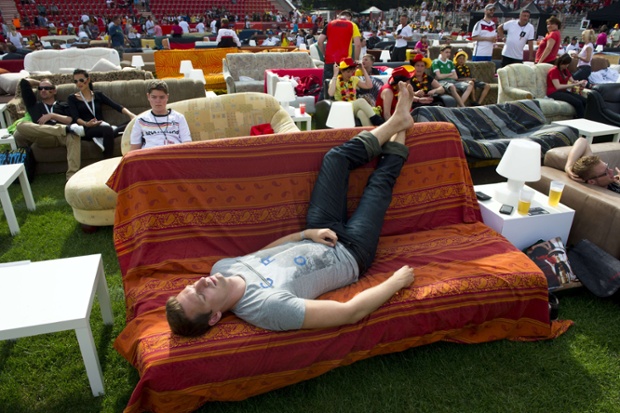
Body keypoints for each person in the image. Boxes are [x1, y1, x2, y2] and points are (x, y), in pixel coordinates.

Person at [166, 81, 417, 336]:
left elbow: (261, 255)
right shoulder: (266, 308)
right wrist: (396, 282)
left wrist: (306, 235)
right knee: (378, 186)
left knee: (335, 159)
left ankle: (397, 121)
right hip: (351, 254)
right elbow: (349, 313)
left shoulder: (221, 268)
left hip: (319, 231)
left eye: (191, 286)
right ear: (214, 317)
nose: (200, 283)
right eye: (200, 296)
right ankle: (402, 127)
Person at [14, 78, 84, 180]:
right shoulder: (34, 105)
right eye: (41, 88)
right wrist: (41, 83)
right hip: (44, 136)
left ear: (54, 91)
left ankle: (71, 177)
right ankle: (62, 129)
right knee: (20, 125)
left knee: (74, 134)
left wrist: (52, 115)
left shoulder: (63, 104)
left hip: (62, 136)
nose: (43, 90)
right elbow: (24, 82)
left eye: (47, 88)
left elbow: (70, 120)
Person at [67, 69, 136, 159]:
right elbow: (75, 118)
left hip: (102, 126)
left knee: (133, 123)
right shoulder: (72, 98)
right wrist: (86, 123)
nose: (78, 83)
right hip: (87, 128)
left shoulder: (98, 94)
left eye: (81, 80)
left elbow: (116, 106)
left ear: (87, 80)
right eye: (75, 81)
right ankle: (108, 160)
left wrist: (131, 115)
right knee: (108, 130)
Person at [129, 80, 191, 151]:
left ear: (167, 97)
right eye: (154, 97)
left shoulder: (179, 118)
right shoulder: (141, 120)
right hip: (150, 157)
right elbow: (134, 150)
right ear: (148, 96)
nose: (158, 101)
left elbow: (187, 144)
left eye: (162, 97)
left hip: (174, 155)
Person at [317, 10, 362, 99]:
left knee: (326, 86)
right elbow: (357, 44)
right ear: (350, 18)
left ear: (338, 16)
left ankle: (322, 109)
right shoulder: (352, 25)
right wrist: (356, 59)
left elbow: (319, 42)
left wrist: (324, 54)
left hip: (330, 60)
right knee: (344, 87)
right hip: (345, 62)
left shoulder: (329, 24)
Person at [328, 57, 384, 126]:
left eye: (351, 71)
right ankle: (378, 120)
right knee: (361, 101)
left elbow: (369, 86)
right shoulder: (335, 80)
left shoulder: (354, 79)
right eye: (348, 72)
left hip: (353, 107)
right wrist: (335, 75)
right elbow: (330, 93)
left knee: (361, 113)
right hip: (342, 107)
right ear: (342, 71)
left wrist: (363, 69)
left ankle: (370, 133)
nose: (350, 74)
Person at [546, 53, 587, 118]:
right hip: (554, 92)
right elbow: (558, 86)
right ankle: (580, 119)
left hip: (563, 91)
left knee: (585, 100)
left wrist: (579, 82)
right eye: (565, 64)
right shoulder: (554, 71)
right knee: (578, 102)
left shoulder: (565, 70)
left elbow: (573, 80)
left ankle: (587, 118)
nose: (566, 66)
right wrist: (573, 85)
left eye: (568, 64)